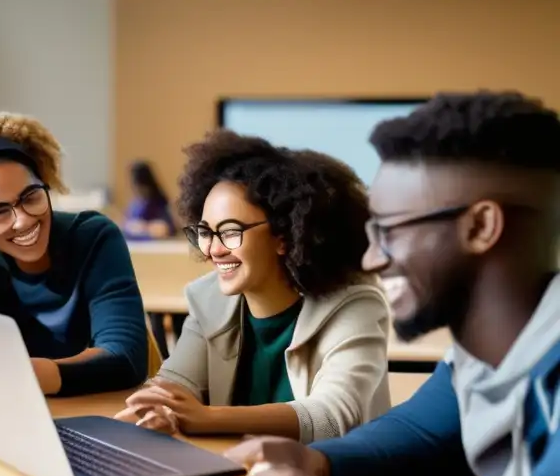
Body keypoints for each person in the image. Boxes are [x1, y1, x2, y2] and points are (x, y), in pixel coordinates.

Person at [225, 92, 560, 476]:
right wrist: (319, 461)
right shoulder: (487, 353)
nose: (372, 259)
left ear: (481, 226)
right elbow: (424, 430)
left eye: (389, 232)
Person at [114, 130, 391, 442]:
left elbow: (333, 418)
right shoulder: (209, 299)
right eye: (206, 232)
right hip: (238, 473)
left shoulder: (356, 304)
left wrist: (205, 417)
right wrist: (156, 408)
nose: (213, 250)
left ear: (284, 236)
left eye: (231, 231)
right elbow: (176, 383)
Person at [0, 112, 153, 397]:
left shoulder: (94, 237)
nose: (23, 220)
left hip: (99, 413)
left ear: (45, 185)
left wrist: (29, 375)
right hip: (12, 416)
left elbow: (126, 359)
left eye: (31, 196)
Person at [123, 160, 176, 241]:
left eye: (139, 185)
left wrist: (146, 227)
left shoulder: (159, 204)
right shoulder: (135, 204)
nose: (136, 189)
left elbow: (167, 228)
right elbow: (126, 224)